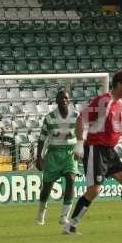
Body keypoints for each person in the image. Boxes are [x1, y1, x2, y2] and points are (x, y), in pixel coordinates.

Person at [64, 70, 122, 235]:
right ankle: (70, 225)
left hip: (109, 151)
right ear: (118, 85)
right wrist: (80, 143)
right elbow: (82, 118)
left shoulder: (120, 104)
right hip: (95, 149)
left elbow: (115, 128)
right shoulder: (103, 101)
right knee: (94, 191)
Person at [35, 89, 81, 225]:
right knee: (47, 187)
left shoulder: (77, 116)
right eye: (61, 98)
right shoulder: (49, 118)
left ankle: (64, 216)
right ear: (56, 101)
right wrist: (39, 157)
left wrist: (80, 148)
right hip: (53, 154)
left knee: (71, 179)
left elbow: (80, 136)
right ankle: (40, 215)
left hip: (70, 153)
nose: (64, 100)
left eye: (66, 98)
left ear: (69, 100)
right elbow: (41, 139)